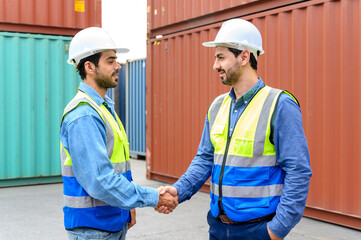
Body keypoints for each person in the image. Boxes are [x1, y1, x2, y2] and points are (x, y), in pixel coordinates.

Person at [156, 19, 312, 240]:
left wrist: (276, 231)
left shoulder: (280, 104)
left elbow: (299, 171)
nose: (215, 65)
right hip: (218, 227)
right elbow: (204, 159)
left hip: (258, 230)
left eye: (221, 57)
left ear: (244, 56)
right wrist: (178, 191)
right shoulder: (218, 106)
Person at [60, 27, 177, 240]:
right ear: (89, 67)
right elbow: (100, 181)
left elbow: (118, 168)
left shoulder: (104, 108)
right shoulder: (84, 115)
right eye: (111, 60)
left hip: (110, 222)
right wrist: (154, 197)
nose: (118, 65)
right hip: (93, 229)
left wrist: (127, 204)